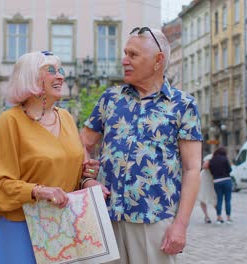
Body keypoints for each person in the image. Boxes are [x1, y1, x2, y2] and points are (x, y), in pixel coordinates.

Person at [80, 27, 202, 264]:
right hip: (107, 217)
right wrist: (87, 179)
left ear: (158, 60)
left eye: (133, 55)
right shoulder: (110, 99)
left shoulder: (183, 105)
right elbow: (81, 144)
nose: (124, 60)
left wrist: (180, 225)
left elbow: (192, 168)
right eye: (125, 53)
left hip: (153, 220)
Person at [0, 51, 99, 264]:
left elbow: (70, 171)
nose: (61, 76)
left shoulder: (65, 117)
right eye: (52, 71)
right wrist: (39, 191)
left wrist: (87, 176)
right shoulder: (10, 121)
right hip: (22, 226)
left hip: (62, 227)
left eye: (61, 70)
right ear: (31, 77)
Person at [209, 146, 233, 224]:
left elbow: (211, 172)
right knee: (228, 200)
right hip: (226, 180)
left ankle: (219, 218)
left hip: (217, 181)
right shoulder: (225, 159)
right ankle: (228, 218)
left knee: (219, 200)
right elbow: (230, 170)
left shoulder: (212, 160)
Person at [199, 154, 217, 224]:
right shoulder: (210, 157)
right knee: (203, 197)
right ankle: (207, 216)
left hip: (210, 179)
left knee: (213, 198)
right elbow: (205, 166)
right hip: (205, 179)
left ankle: (217, 215)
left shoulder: (215, 156)